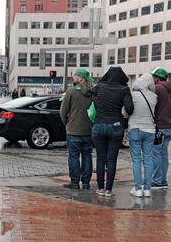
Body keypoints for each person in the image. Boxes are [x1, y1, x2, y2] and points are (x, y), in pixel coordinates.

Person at [92, 67, 134, 197]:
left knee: (100, 158)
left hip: (98, 125)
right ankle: (108, 189)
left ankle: (100, 187)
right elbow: (130, 109)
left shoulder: (98, 87)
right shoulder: (124, 89)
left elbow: (92, 100)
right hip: (115, 126)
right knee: (111, 159)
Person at [60, 68, 94, 190]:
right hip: (88, 130)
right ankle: (86, 183)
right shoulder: (92, 92)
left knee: (73, 156)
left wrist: (67, 124)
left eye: (75, 76)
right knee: (87, 156)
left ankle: (74, 182)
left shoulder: (71, 92)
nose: (73, 77)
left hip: (73, 130)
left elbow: (63, 112)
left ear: (80, 78)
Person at [125, 73, 157, 198]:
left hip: (135, 129)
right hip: (150, 130)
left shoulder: (132, 95)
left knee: (136, 160)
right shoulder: (154, 97)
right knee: (148, 159)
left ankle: (138, 188)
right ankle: (147, 189)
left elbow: (125, 111)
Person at [151, 67, 171, 189]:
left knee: (156, 153)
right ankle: (163, 180)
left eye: (153, 77)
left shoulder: (157, 88)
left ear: (157, 78)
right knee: (164, 153)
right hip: (169, 126)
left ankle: (158, 180)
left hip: (160, 127)